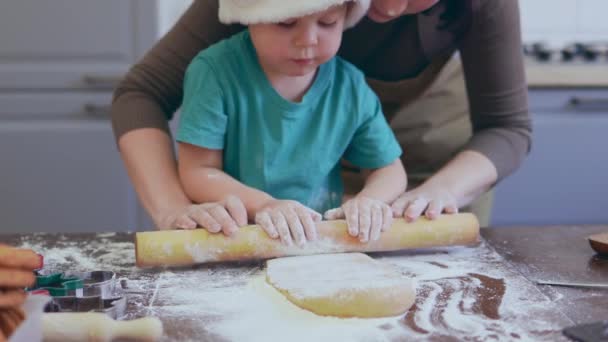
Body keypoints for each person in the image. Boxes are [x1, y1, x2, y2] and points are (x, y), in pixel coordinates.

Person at [111, 0, 531, 234]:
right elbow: (141, 94)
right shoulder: (220, 68)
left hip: (442, 162)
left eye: (329, 23)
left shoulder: (348, 87)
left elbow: (506, 127)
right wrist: (173, 209)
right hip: (302, 204)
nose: (391, 4)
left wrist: (438, 193)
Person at [176, 0, 406, 246]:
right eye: (286, 23)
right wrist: (264, 205)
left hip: (318, 243)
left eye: (327, 22)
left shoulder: (349, 86)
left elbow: (390, 170)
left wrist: (370, 200)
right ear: (249, 15)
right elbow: (198, 172)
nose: (308, 39)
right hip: (235, 240)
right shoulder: (214, 72)